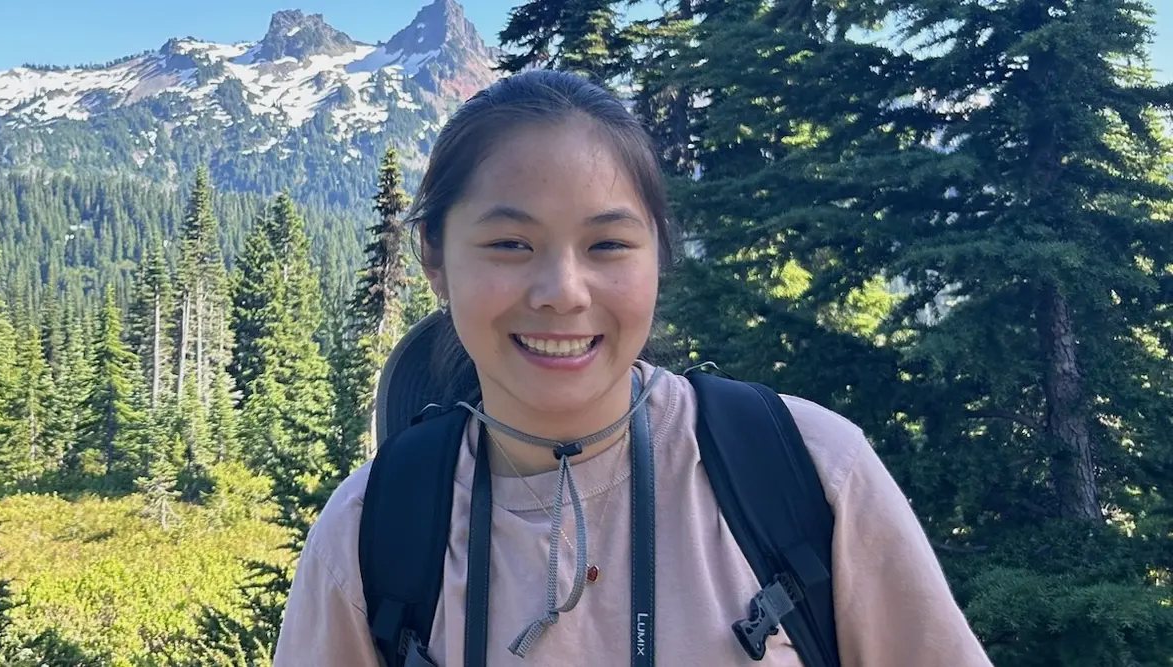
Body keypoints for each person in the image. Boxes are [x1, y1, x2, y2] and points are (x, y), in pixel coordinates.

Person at [271, 70, 990, 666]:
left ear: (658, 254)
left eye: (608, 244)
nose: (562, 291)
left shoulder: (807, 473)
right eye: (510, 244)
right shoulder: (370, 534)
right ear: (434, 257)